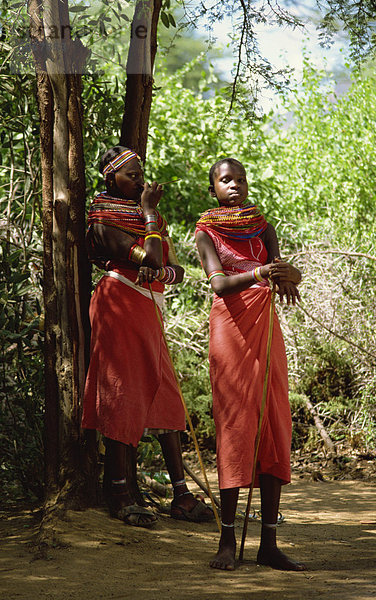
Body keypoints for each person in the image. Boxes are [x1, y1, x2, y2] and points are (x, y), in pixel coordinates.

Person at [82, 146, 214, 527]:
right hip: (119, 303)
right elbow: (154, 259)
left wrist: (160, 271)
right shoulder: (104, 220)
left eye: (141, 173)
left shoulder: (144, 217)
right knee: (124, 392)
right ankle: (119, 493)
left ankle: (181, 497)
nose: (140, 180)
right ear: (111, 179)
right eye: (131, 175)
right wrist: (150, 214)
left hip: (149, 307)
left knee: (164, 392)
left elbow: (173, 270)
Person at [195, 157, 306, 571]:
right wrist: (262, 272)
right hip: (230, 331)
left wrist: (289, 275)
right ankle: (226, 540)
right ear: (213, 190)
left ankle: (269, 544)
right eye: (226, 180)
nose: (235, 186)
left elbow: (280, 275)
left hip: (266, 329)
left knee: (273, 422)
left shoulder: (263, 227)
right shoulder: (205, 231)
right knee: (236, 424)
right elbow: (220, 284)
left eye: (240, 179)